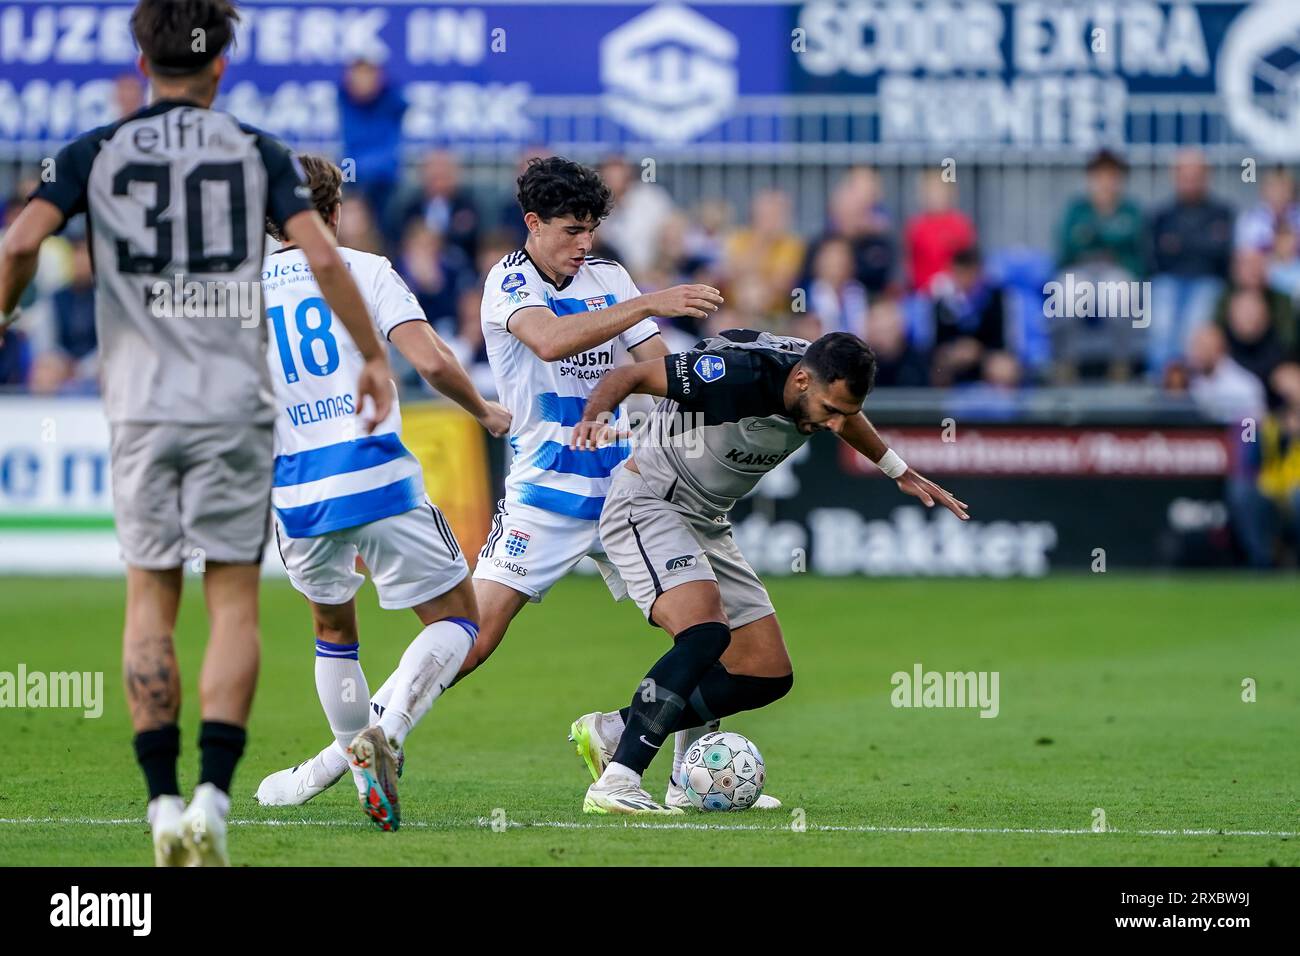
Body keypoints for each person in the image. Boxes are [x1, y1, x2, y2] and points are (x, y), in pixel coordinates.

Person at [0, 0, 393, 866]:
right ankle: (214, 797)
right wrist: (371, 355)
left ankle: (161, 802)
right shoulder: (256, 151)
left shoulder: (93, 152)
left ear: (144, 62)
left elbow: (20, 241)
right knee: (232, 600)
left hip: (139, 403)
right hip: (233, 405)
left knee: (149, 598)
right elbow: (323, 257)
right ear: (221, 67)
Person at [256, 157, 740, 811]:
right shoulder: (506, 284)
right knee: (469, 638)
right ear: (533, 224)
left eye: (592, 229)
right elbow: (548, 341)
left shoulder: (610, 277)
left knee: (706, 625)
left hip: (626, 491)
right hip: (545, 497)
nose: (584, 244)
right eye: (571, 230)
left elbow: (656, 365)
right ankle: (346, 756)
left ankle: (684, 781)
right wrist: (651, 299)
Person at [567, 329, 969, 814]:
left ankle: (650, 755)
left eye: (847, 413)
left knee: (764, 672)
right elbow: (627, 374)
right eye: (830, 411)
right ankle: (618, 780)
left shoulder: (822, 386)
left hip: (708, 518)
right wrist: (595, 419)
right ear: (800, 381)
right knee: (704, 635)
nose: (837, 426)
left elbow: (848, 413)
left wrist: (896, 469)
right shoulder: (732, 377)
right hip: (650, 500)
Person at [253, 156, 510, 831]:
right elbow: (428, 359)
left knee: (334, 633)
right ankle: (388, 734)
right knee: (460, 618)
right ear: (333, 213)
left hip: (297, 491)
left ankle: (351, 752)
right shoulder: (364, 270)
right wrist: (483, 410)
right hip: (376, 474)